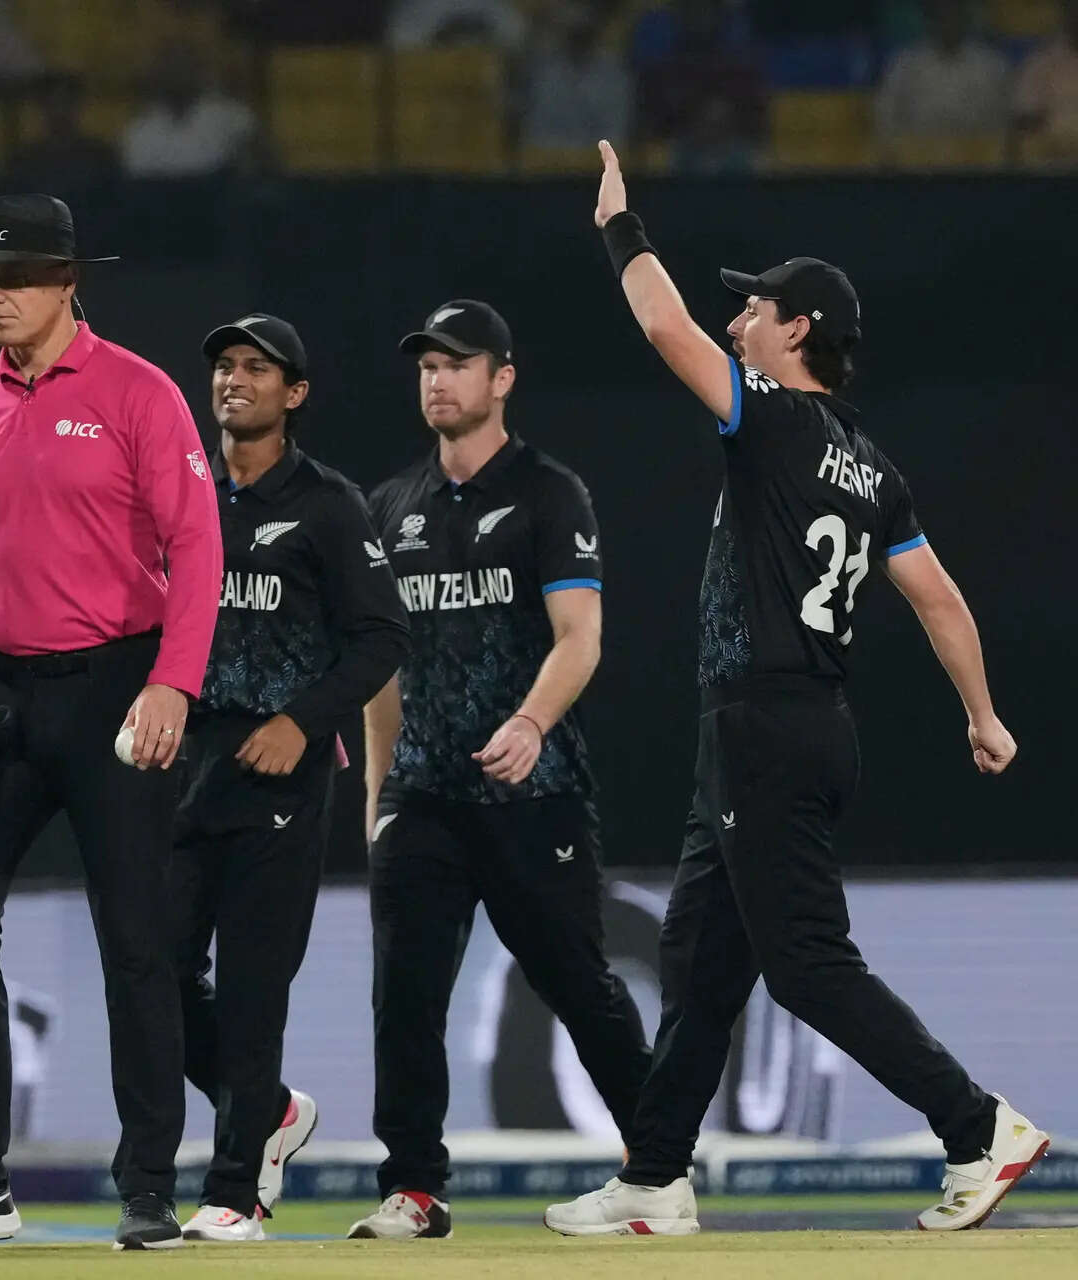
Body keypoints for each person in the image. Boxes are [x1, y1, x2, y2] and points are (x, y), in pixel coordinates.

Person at [546, 142, 1046, 1236]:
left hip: (765, 722)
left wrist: (621, 229)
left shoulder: (771, 416)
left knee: (808, 965)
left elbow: (664, 328)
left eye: (755, 309)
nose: (738, 322)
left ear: (799, 329)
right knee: (698, 959)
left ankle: (978, 1128)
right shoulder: (874, 467)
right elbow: (941, 599)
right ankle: (657, 1176)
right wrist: (983, 712)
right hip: (800, 723)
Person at [0, 194, 224, 1251]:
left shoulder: (139, 393)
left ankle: (148, 1184)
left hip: (117, 688)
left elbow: (198, 545)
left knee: (137, 939)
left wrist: (175, 683)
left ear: (69, 282)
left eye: (16, 276)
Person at [356, 299, 651, 1241]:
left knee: (579, 985)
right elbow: (382, 669)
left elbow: (580, 636)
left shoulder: (550, 494)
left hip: (535, 792)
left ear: (502, 378)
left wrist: (530, 722)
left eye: (456, 363)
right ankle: (414, 1188)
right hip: (424, 798)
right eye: (426, 366)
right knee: (405, 996)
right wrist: (377, 798)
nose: (437, 380)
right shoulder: (389, 508)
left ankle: (658, 1169)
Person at [173, 313, 408, 1242]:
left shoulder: (328, 503)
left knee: (252, 988)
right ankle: (267, 1109)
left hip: (282, 770)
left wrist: (300, 722)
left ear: (295, 393)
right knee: (152, 969)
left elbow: (382, 637)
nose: (234, 379)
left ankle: (235, 1193)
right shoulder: (182, 491)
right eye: (225, 365)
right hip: (184, 760)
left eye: (257, 369)